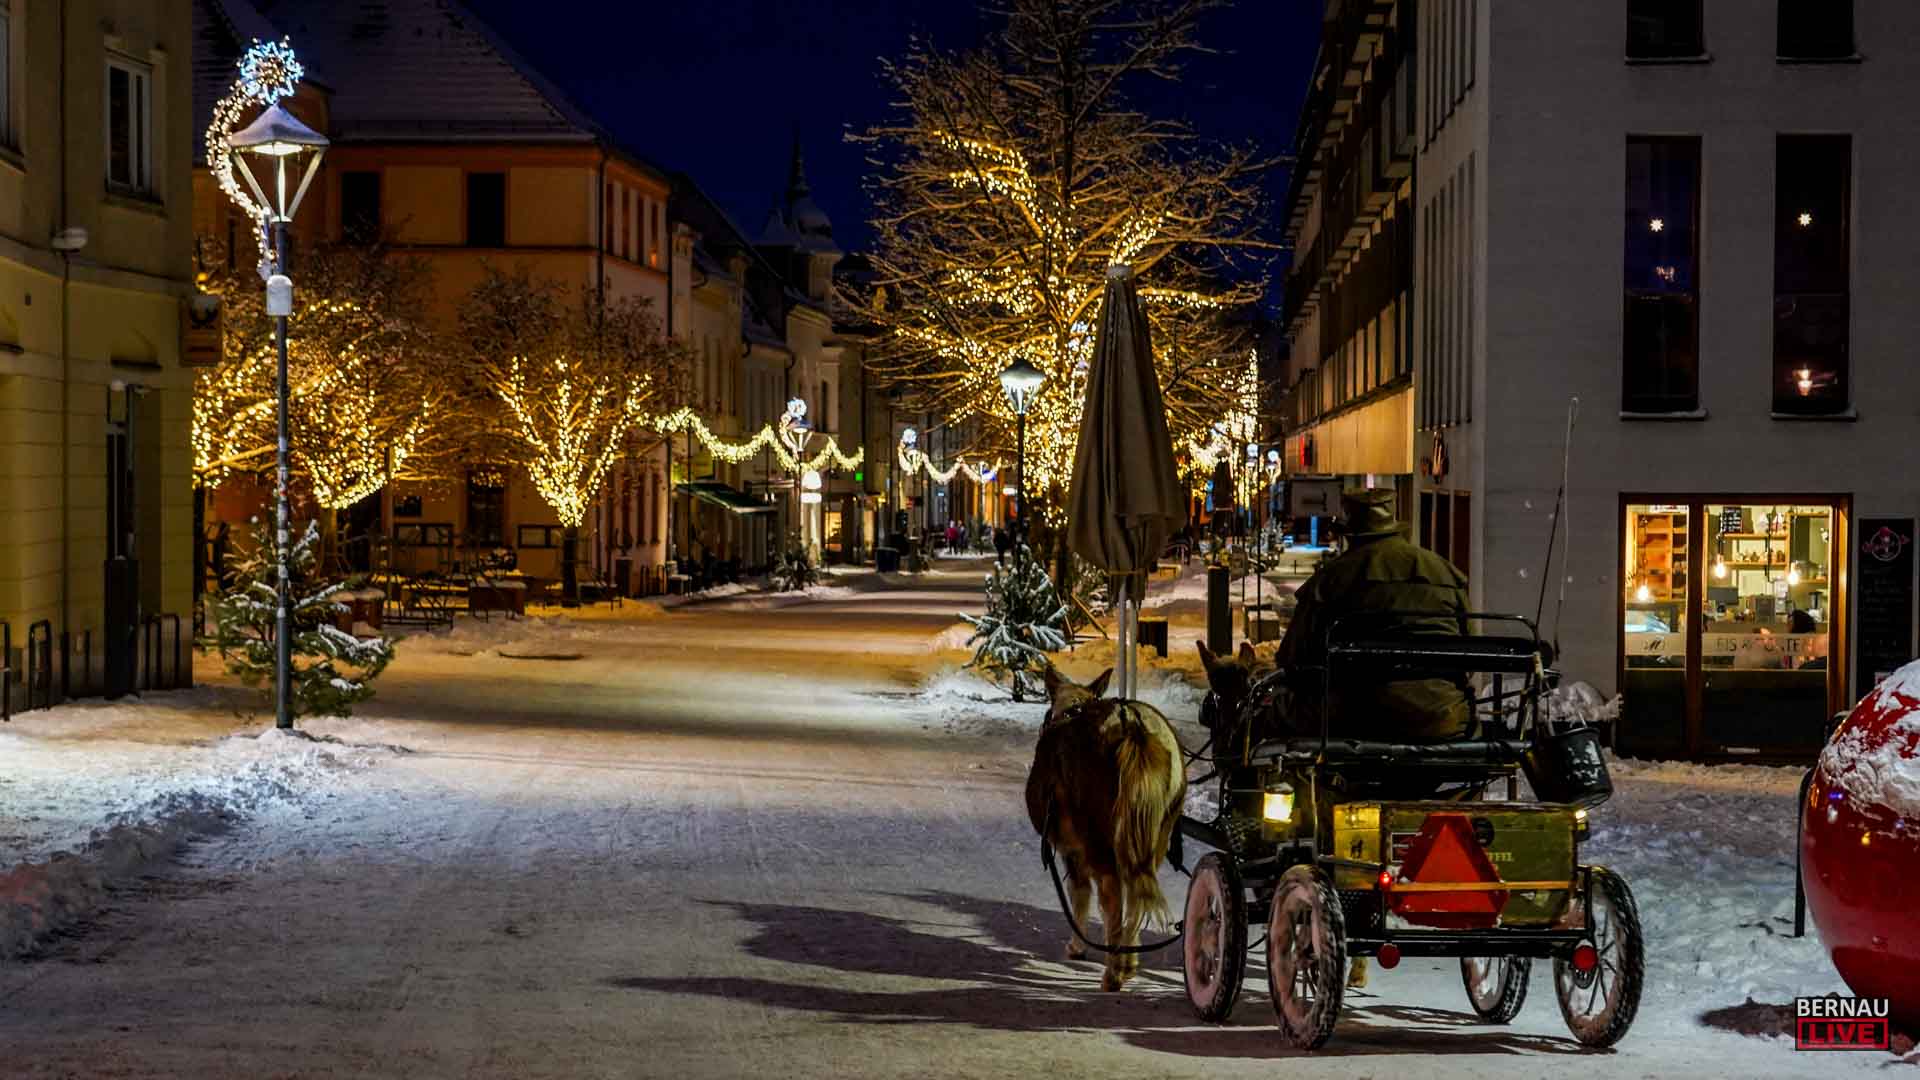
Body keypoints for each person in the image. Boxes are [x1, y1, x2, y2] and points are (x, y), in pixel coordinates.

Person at [1270, 488, 1472, 743]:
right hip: (1442, 715)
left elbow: (1294, 657)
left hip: (1353, 715)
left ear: (1350, 534)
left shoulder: (1331, 580)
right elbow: (1468, 642)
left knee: (1268, 712)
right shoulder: (1442, 571)